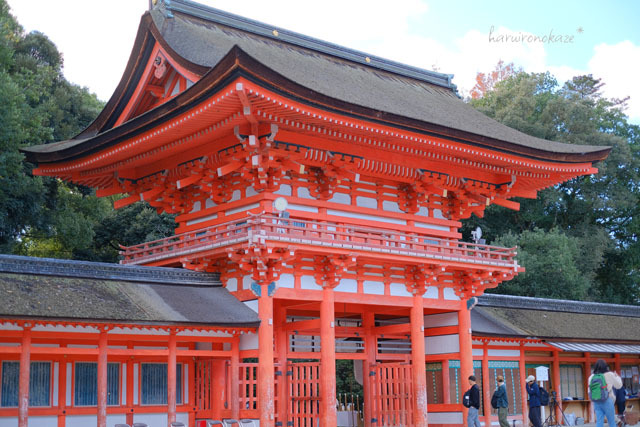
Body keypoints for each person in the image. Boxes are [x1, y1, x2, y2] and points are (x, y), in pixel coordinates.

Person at [588, 359, 623, 427]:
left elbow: (589, 390)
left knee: (599, 422)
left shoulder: (591, 377)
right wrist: (617, 376)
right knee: (611, 422)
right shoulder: (610, 374)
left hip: (596, 401)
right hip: (607, 400)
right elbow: (619, 386)